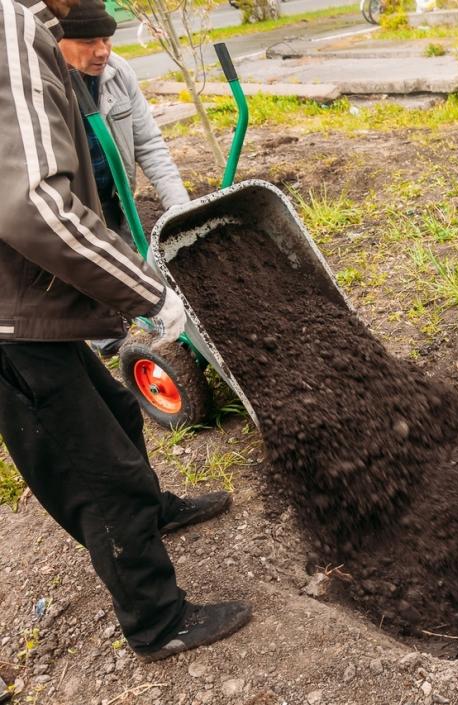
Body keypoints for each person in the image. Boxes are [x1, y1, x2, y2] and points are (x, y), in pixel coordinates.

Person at [0, 0, 251, 660]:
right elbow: (34, 203)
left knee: (117, 408)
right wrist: (151, 295)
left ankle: (155, 510)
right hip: (8, 318)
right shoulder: (8, 27)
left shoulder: (40, 31)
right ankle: (157, 620)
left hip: (25, 298)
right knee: (98, 474)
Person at [57, 0, 190, 357]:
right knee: (90, 271)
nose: (102, 51)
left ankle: (165, 321)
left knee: (146, 258)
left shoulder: (117, 73)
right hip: (70, 204)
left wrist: (181, 207)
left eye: (107, 39)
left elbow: (149, 144)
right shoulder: (44, 88)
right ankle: (110, 339)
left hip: (114, 193)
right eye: (89, 42)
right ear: (58, 40)